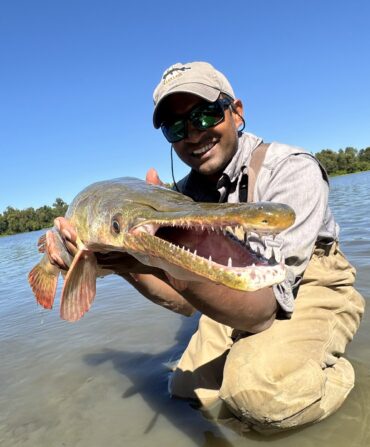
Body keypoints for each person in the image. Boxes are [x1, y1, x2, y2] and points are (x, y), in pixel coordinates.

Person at [48, 61, 365, 434]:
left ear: (236, 112)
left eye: (204, 115)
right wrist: (129, 261)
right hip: (233, 290)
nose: (193, 135)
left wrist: (160, 257)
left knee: (259, 398)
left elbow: (263, 311)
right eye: (176, 127)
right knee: (188, 393)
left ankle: (331, 378)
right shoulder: (178, 196)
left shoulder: (292, 169)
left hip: (305, 283)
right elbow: (183, 302)